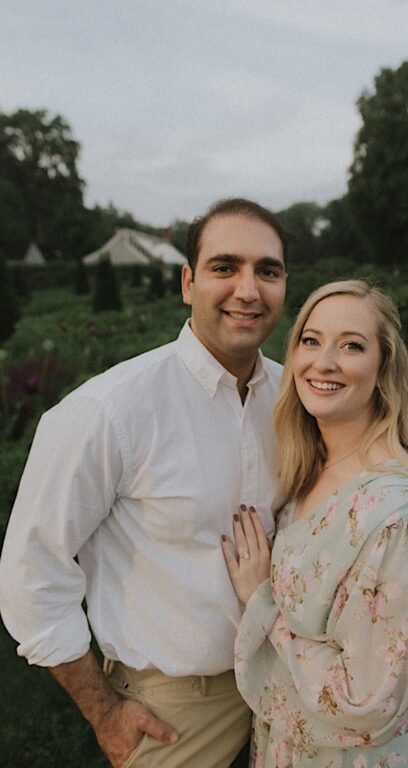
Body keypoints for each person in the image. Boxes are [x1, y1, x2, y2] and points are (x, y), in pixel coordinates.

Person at [0, 198, 289, 768]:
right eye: (224, 267)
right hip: (179, 713)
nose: (248, 290)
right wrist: (105, 712)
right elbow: (31, 572)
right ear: (187, 282)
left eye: (268, 270)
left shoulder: (295, 401)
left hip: (288, 684)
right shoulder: (108, 412)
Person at [220, 280, 408, 767]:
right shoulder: (311, 469)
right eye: (311, 340)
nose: (323, 362)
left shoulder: (397, 514)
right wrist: (399, 670)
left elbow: (366, 702)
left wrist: (259, 601)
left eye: (351, 345)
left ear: (383, 369)